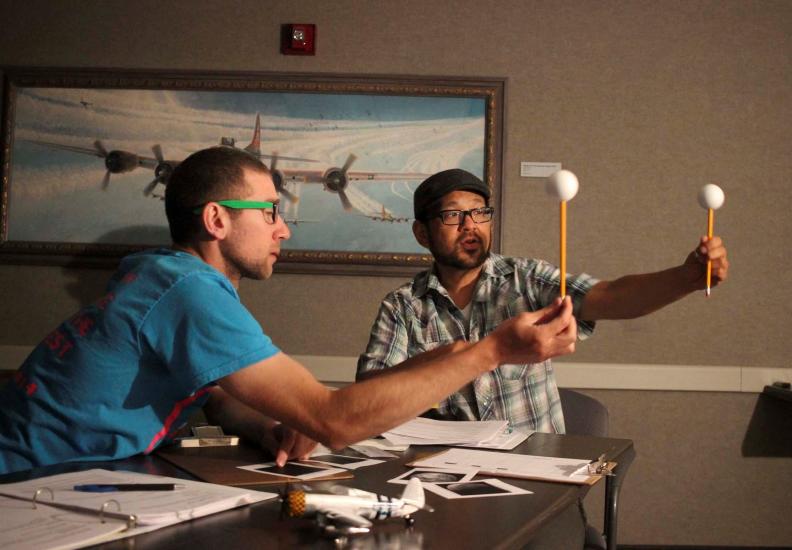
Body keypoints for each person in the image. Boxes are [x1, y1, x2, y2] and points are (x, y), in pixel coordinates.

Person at [0, 148, 581, 475]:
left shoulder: (157, 275)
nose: (283, 228)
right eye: (269, 211)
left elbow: (215, 393)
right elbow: (333, 419)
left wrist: (267, 423)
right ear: (217, 220)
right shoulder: (187, 292)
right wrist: (494, 350)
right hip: (32, 484)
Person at [357, 168, 730, 433]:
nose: (470, 224)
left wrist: (685, 279)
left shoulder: (526, 279)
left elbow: (611, 296)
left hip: (535, 479)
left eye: (480, 212)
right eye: (453, 214)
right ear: (422, 233)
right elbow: (370, 395)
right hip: (442, 480)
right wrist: (438, 367)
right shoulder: (403, 307)